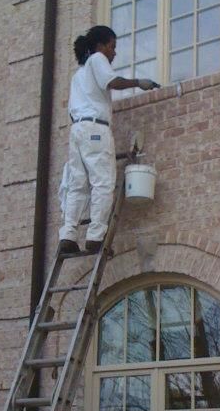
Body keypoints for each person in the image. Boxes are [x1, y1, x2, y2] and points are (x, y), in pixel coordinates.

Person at [59, 25, 157, 254]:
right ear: (100, 45)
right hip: (95, 129)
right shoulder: (97, 59)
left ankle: (68, 236)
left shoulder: (78, 75)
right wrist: (139, 83)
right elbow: (112, 82)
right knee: (102, 182)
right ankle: (95, 238)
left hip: (77, 131)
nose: (114, 53)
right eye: (112, 46)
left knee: (77, 185)